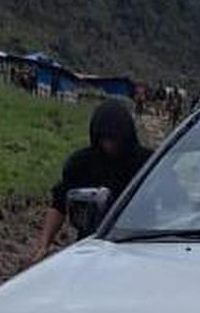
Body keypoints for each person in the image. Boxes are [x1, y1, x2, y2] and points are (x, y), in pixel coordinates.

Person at [31, 100, 153, 263]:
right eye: (104, 139)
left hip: (140, 245)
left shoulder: (148, 164)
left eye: (114, 139)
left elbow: (173, 201)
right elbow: (59, 204)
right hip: (92, 245)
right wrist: (44, 245)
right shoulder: (81, 164)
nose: (109, 145)